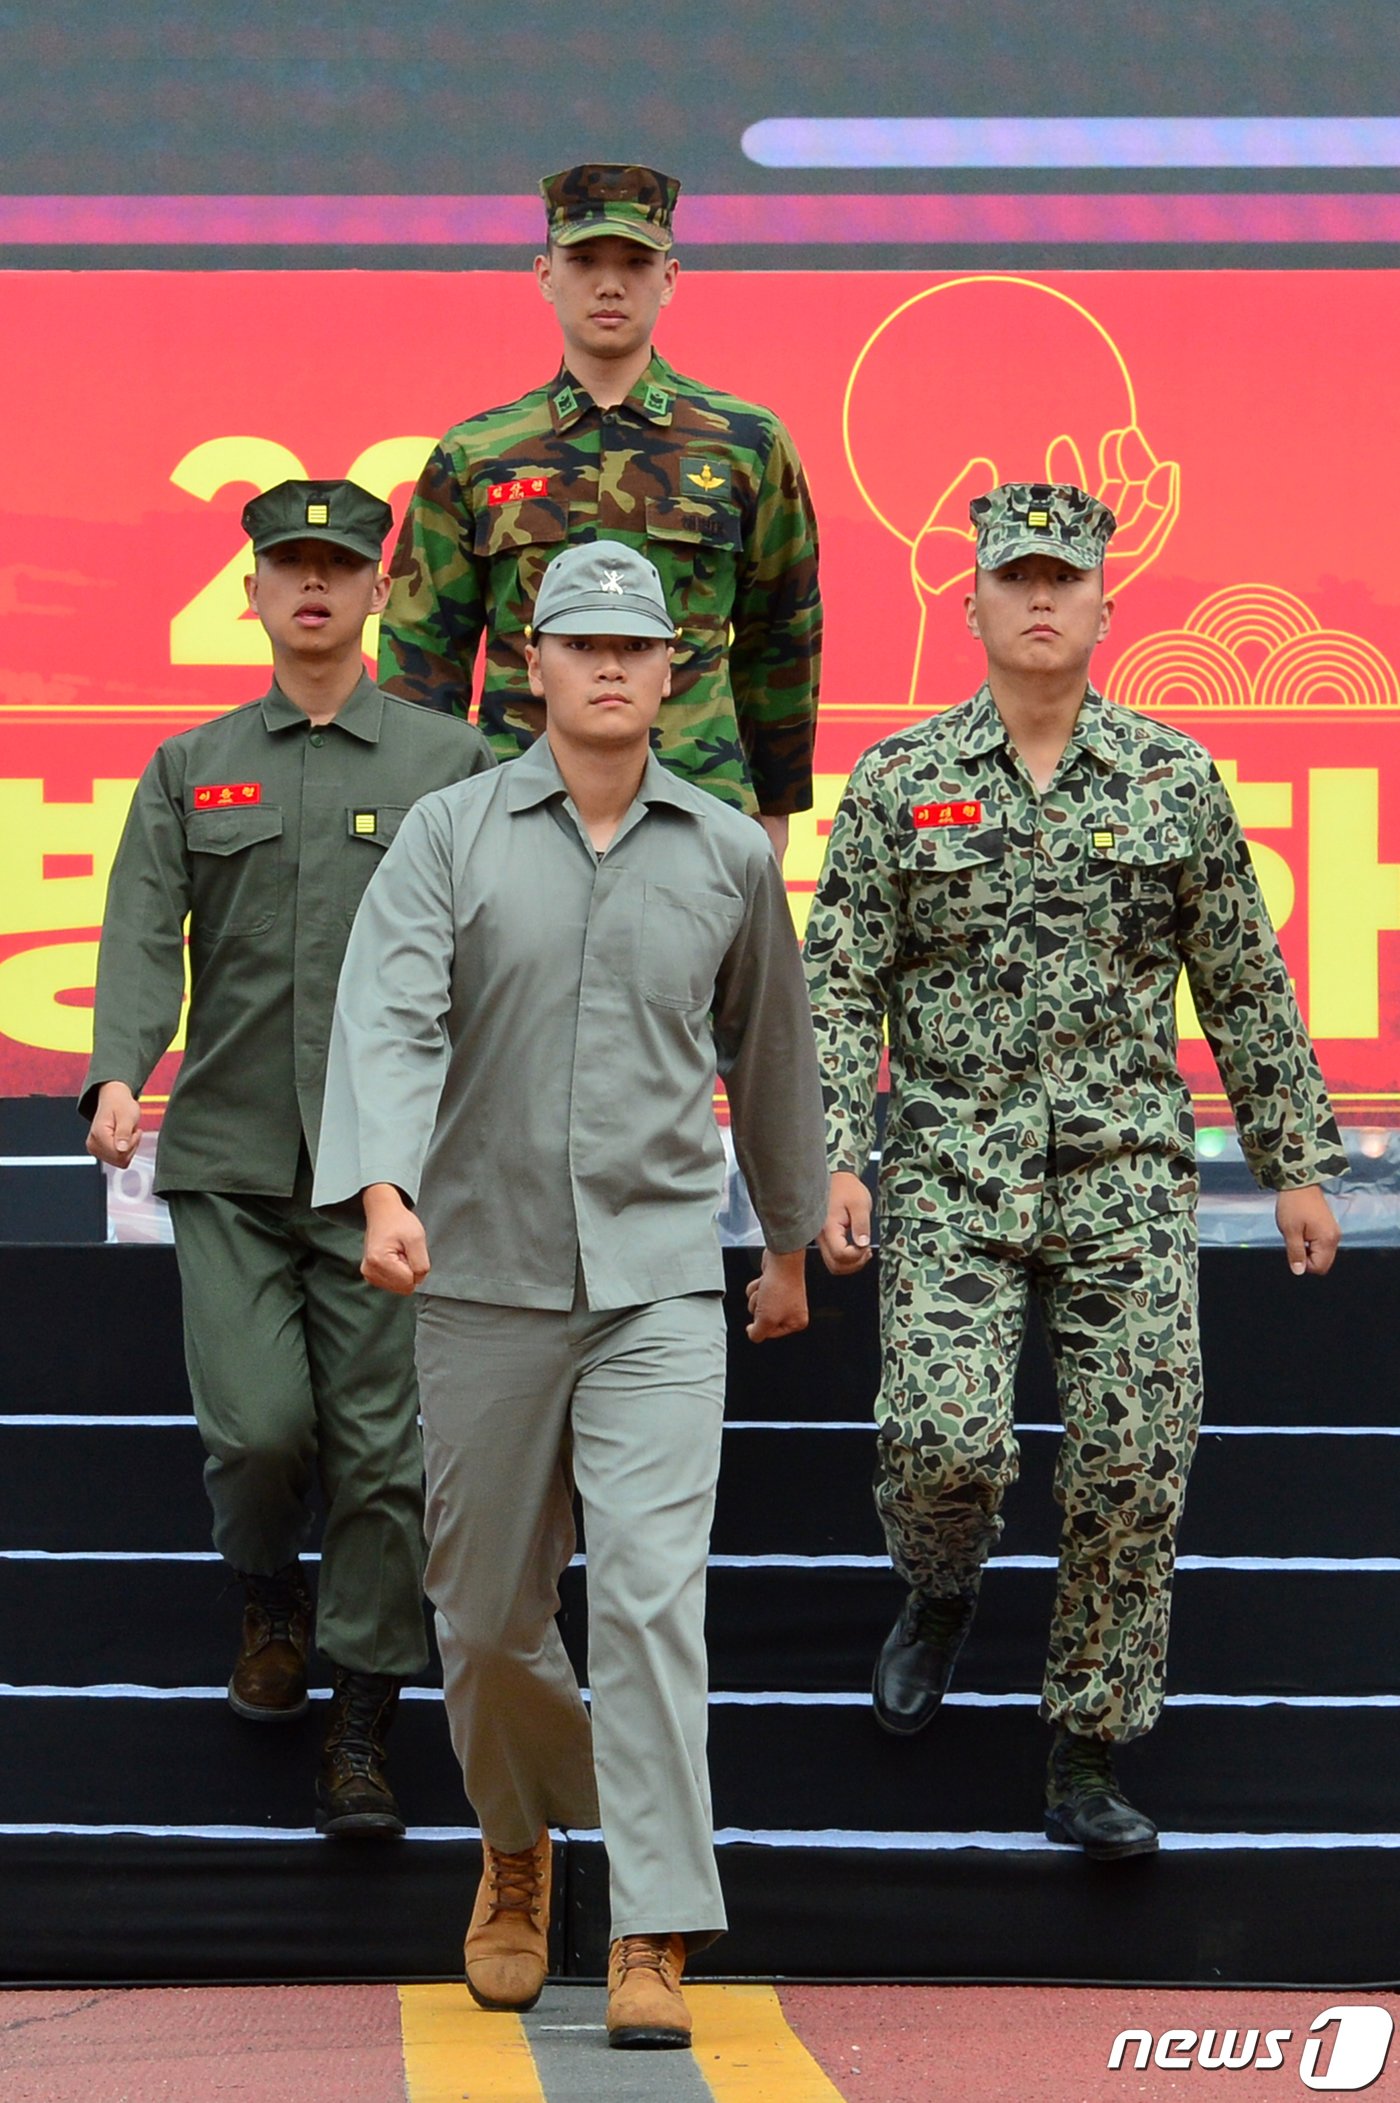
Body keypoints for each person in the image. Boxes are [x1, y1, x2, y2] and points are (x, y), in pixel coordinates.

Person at [315, 541, 829, 2044]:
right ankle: (520, 1840)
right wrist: (386, 1188)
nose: (609, 667)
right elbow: (393, 1015)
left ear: (675, 671)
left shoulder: (729, 852)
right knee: (480, 1614)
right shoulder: (448, 836)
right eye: (579, 643)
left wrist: (787, 1242)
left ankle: (654, 1923)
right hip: (478, 1272)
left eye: (636, 647)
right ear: (529, 664)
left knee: (657, 1599)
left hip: (662, 1282)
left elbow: (773, 1054)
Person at [803, 481, 1346, 1859]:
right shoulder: (897, 781)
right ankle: (936, 1587)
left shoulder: (1173, 782)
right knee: (944, 1442)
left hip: (1126, 1175)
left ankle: (1087, 1744)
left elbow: (1245, 980)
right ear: (972, 600)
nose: (1040, 599)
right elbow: (840, 980)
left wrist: (1292, 1159)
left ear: (1107, 603)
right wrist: (829, 1154)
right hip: (947, 1168)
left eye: (1065, 579)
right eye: (1015, 577)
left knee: (1133, 1454)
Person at [81, 480, 494, 1837]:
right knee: (259, 1428)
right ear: (249, 594)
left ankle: (364, 1717)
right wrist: (117, 1074)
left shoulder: (451, 764)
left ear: (379, 591)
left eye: (338, 564)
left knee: (380, 1453)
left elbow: (503, 946)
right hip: (234, 1161)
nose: (311, 585)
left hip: (398, 1167)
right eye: (285, 566)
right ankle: (271, 1591)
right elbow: (146, 933)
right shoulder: (192, 765)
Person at [377, 161, 822, 863]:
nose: (609, 284)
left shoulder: (747, 443)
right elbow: (422, 653)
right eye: (583, 260)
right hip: (514, 812)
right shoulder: (478, 453)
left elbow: (782, 638)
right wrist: (424, 818)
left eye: (635, 262)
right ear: (544, 274)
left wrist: (772, 809)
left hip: (697, 808)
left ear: (670, 278)